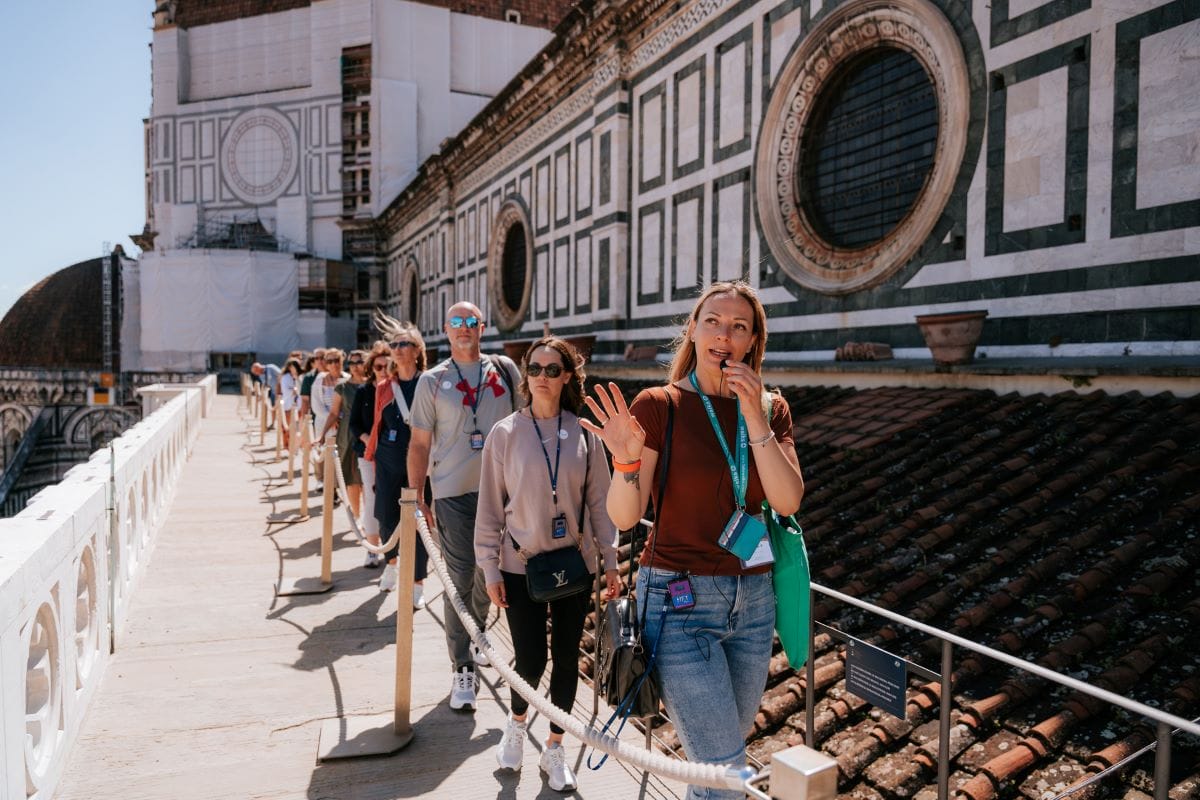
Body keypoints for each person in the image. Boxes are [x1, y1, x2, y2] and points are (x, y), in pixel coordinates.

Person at [582, 281, 804, 800]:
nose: (723, 335)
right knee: (724, 769)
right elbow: (626, 513)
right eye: (712, 321)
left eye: (738, 326)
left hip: (754, 603)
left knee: (720, 757)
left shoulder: (772, 410)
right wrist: (627, 462)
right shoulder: (661, 405)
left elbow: (788, 499)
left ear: (753, 341)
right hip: (678, 600)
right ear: (694, 331)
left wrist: (754, 416)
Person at [475, 337, 620, 791]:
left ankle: (555, 748)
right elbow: (490, 510)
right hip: (520, 565)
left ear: (567, 377)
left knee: (566, 659)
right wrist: (489, 568)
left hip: (575, 565)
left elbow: (600, 504)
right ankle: (517, 725)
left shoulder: (584, 433)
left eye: (552, 369)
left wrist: (611, 560)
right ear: (525, 376)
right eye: (534, 369)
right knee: (531, 659)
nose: (542, 376)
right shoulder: (504, 433)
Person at [408, 301, 522, 711]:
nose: (463, 328)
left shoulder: (505, 371)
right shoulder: (432, 381)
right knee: (459, 578)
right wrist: (417, 496)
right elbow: (419, 444)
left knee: (489, 573)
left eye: (471, 322)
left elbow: (525, 425)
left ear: (482, 327)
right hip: (453, 495)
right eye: (456, 322)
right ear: (445, 329)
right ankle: (462, 667)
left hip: (504, 494)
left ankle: (476, 636)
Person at [366, 315, 430, 608]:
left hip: (419, 458)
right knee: (385, 516)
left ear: (418, 350)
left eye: (405, 343)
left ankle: (417, 582)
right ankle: (391, 563)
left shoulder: (428, 384)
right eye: (395, 344)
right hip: (389, 458)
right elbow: (378, 423)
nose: (399, 348)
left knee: (419, 521)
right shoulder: (384, 387)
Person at [350, 346, 387, 569]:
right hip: (368, 454)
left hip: (392, 455)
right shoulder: (364, 392)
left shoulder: (396, 389)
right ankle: (373, 549)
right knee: (372, 499)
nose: (383, 370)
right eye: (378, 366)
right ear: (372, 368)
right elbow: (353, 423)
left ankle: (393, 549)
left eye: (386, 366)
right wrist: (368, 440)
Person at [320, 349, 368, 518]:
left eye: (359, 362)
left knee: (368, 480)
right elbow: (334, 413)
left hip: (368, 432)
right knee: (352, 479)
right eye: (352, 363)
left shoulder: (373, 384)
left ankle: (369, 519)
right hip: (347, 434)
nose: (355, 366)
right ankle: (357, 517)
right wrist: (322, 435)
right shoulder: (342, 387)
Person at [279, 359, 303, 449]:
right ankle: (287, 444)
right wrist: (295, 390)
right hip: (289, 405)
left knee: (297, 428)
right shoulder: (285, 377)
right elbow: (286, 390)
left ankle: (295, 445)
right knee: (287, 426)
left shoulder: (300, 376)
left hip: (299, 405)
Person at [251, 361, 282, 428]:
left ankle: (282, 424)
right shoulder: (261, 375)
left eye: (255, 372)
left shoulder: (271, 367)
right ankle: (273, 424)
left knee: (282, 408)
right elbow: (264, 385)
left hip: (281, 392)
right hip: (273, 393)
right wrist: (261, 396)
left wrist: (279, 388)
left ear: (258, 368)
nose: (256, 374)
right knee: (273, 407)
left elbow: (281, 375)